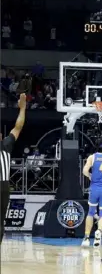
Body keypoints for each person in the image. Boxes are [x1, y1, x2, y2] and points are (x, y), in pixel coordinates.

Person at [0, 93, 26, 243]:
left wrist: (23, 108)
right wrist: (22, 108)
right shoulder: (5, 144)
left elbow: (18, 127)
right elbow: (18, 127)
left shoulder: (5, 144)